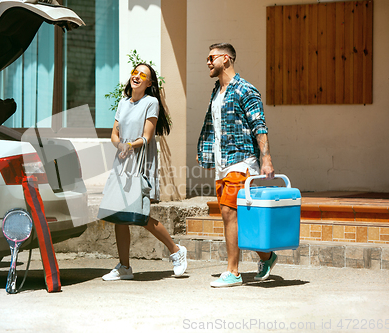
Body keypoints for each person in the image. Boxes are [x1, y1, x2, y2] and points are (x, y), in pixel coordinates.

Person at [196, 43, 277, 288]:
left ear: (226, 59)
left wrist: (266, 159)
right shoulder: (217, 91)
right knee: (235, 215)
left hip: (241, 161)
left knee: (229, 213)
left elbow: (259, 126)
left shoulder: (246, 90)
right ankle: (267, 256)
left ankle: (233, 271)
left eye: (212, 57)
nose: (208, 62)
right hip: (223, 161)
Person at [101, 63, 187, 281]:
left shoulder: (151, 102)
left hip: (140, 161)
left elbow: (147, 136)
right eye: (134, 73)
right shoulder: (123, 103)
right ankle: (124, 267)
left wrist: (129, 146)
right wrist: (120, 145)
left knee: (140, 214)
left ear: (149, 83)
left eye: (142, 75)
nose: (136, 76)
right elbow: (114, 133)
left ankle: (176, 251)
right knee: (119, 216)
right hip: (122, 161)